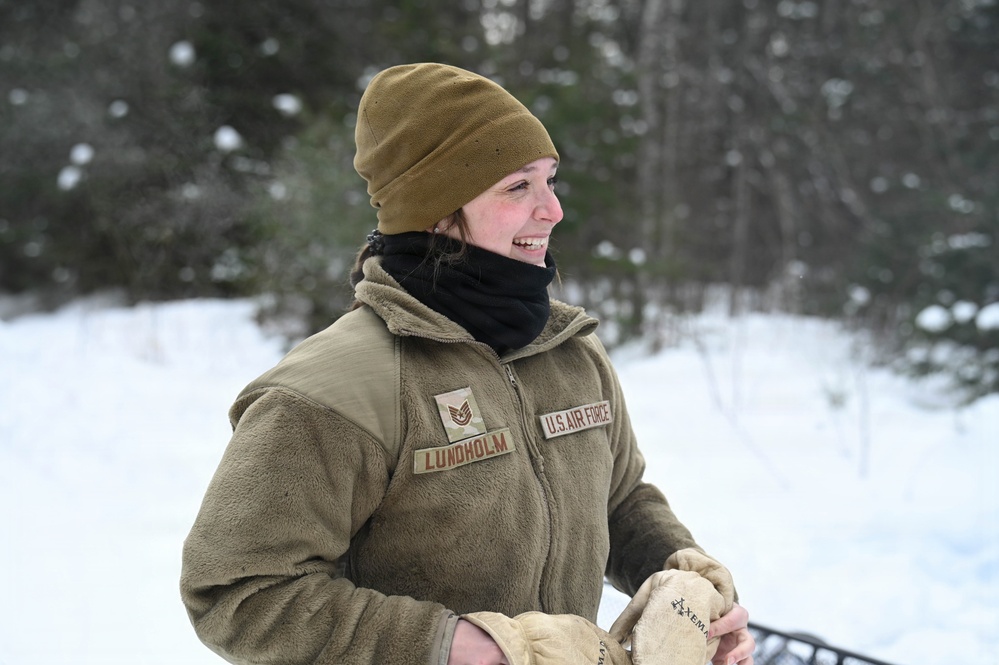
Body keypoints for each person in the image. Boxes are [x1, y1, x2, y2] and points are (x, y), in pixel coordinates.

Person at [180, 62, 755, 665]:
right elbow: (238, 590)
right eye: (517, 187)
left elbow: (619, 500)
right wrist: (452, 647)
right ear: (433, 207)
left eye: (550, 180)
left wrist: (686, 592)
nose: (553, 211)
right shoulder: (334, 390)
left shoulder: (569, 350)